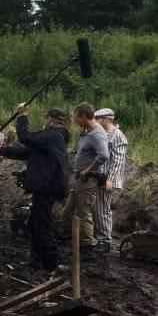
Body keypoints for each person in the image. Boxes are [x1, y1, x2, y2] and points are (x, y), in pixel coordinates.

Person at [0, 106, 70, 272]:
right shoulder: (51, 140)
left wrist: (22, 116)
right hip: (46, 187)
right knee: (35, 223)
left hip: (47, 188)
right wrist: (2, 150)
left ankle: (49, 264)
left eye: (46, 119)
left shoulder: (52, 135)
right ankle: (37, 259)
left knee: (43, 224)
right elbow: (27, 152)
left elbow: (25, 138)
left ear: (50, 119)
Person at [59, 102, 110, 252]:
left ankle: (88, 243)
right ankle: (65, 235)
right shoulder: (88, 132)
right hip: (81, 179)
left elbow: (104, 156)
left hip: (88, 179)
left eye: (76, 117)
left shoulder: (97, 133)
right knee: (69, 209)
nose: (74, 120)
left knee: (83, 211)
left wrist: (87, 171)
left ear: (83, 116)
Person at [92, 107, 128, 247]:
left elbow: (118, 160)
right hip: (98, 175)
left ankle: (105, 240)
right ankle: (97, 235)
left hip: (107, 178)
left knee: (103, 209)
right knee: (95, 207)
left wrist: (110, 179)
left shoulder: (117, 135)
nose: (96, 121)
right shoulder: (101, 133)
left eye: (98, 119)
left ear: (107, 119)